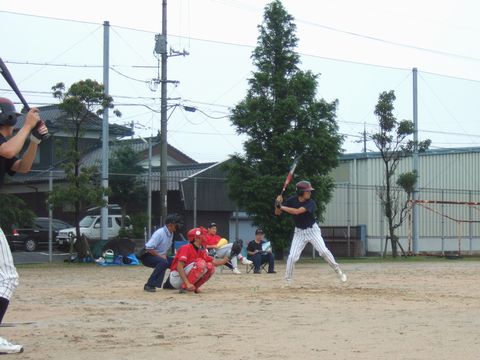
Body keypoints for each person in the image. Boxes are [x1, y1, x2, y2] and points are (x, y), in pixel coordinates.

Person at [0, 98, 48, 354]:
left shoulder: (6, 143)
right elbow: (8, 152)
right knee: (8, 277)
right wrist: (28, 126)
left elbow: (23, 167)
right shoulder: (4, 144)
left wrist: (35, 141)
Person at [275, 180, 347, 287]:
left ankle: (339, 271)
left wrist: (281, 206)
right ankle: (288, 281)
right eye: (307, 191)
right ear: (300, 192)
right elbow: (277, 213)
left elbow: (297, 211)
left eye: (309, 191)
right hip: (299, 232)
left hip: (312, 231)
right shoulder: (292, 200)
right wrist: (277, 204)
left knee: (323, 252)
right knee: (292, 257)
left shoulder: (311, 202)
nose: (309, 193)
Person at [168, 227, 229, 293]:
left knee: (210, 267)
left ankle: (194, 287)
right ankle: (185, 287)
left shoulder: (201, 250)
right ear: (196, 238)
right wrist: (187, 283)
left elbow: (214, 263)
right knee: (201, 263)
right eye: (202, 235)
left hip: (185, 277)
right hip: (176, 277)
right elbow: (179, 267)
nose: (205, 237)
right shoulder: (186, 248)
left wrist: (228, 258)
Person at [141, 214, 182, 292]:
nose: (178, 226)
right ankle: (149, 285)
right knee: (163, 262)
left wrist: (163, 256)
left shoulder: (171, 233)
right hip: (147, 256)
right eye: (176, 225)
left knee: (177, 263)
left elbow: (164, 249)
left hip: (158, 255)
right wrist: (161, 256)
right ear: (170, 225)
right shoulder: (160, 233)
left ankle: (169, 284)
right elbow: (149, 248)